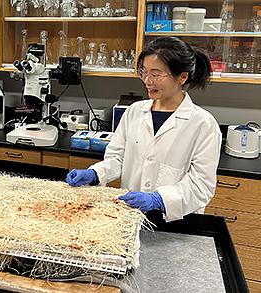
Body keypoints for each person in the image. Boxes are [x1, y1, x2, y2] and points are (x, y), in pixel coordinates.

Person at [66, 36, 221, 223]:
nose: (147, 81)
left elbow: (201, 186)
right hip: (130, 215)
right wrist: (95, 173)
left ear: (182, 77)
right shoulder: (134, 112)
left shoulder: (203, 124)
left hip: (176, 221)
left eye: (156, 74)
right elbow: (118, 158)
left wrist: (159, 200)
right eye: (144, 72)